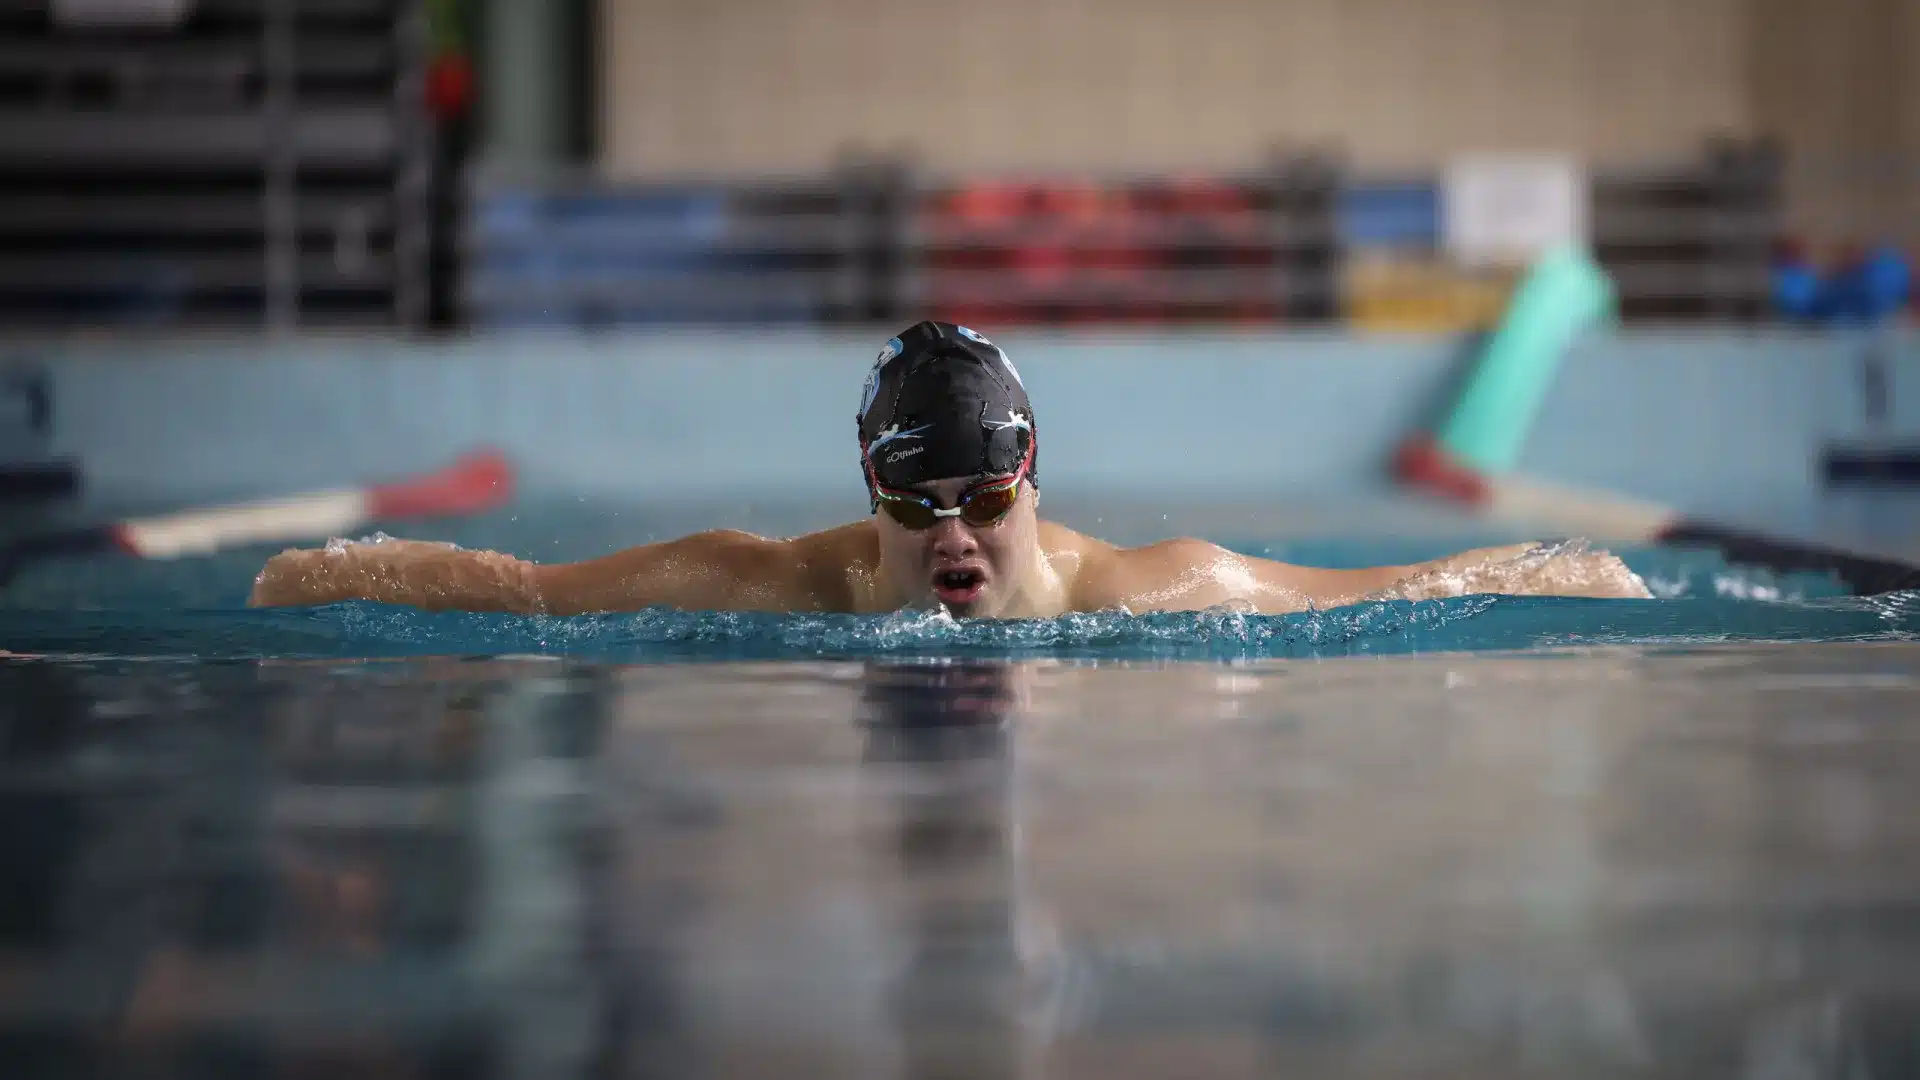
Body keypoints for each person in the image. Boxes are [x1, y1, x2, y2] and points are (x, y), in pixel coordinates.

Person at [249, 321, 1649, 617]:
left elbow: (1387, 589)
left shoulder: (1148, 591)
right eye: (917, 506)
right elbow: (530, 592)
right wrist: (326, 570)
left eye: (984, 498)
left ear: (1033, 478)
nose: (955, 535)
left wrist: (1562, 568)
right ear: (871, 495)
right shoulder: (773, 586)